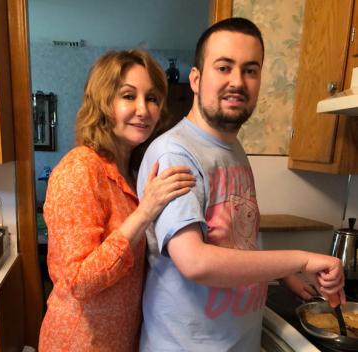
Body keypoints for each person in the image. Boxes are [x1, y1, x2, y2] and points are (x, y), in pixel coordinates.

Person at [137, 18, 345, 351]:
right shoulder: (175, 152)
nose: (238, 81)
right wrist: (299, 260)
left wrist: (279, 274)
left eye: (250, 70)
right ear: (195, 79)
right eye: (223, 67)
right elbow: (195, 261)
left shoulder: (232, 148)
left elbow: (236, 235)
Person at [38, 49, 196, 352]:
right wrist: (145, 212)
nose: (143, 109)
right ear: (103, 103)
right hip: (80, 342)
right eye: (128, 96)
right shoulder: (80, 169)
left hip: (121, 339)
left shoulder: (134, 170)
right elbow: (80, 281)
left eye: (152, 98)